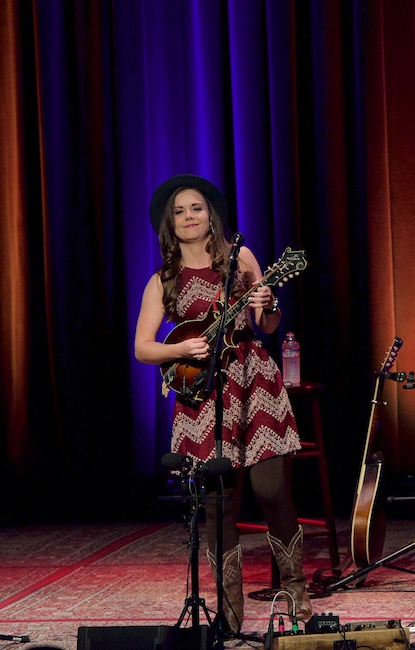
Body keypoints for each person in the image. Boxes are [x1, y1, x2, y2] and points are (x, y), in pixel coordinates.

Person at [134, 174, 313, 634]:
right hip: (203, 393)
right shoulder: (163, 280)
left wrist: (268, 303)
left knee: (272, 491)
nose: (189, 217)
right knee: (218, 505)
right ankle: (229, 612)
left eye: (196, 208)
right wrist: (180, 350)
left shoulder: (240, 258)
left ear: (210, 214)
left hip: (254, 384)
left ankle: (296, 595)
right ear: (169, 224)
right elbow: (142, 347)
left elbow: (267, 326)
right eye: (179, 212)